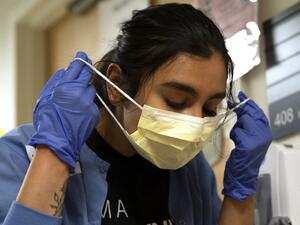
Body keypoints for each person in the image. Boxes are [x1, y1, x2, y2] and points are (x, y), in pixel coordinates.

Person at [0, 3, 272, 225]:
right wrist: (53, 156)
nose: (194, 122)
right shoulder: (16, 159)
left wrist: (241, 195)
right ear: (116, 85)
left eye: (209, 109)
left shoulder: (190, 171)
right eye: (176, 101)